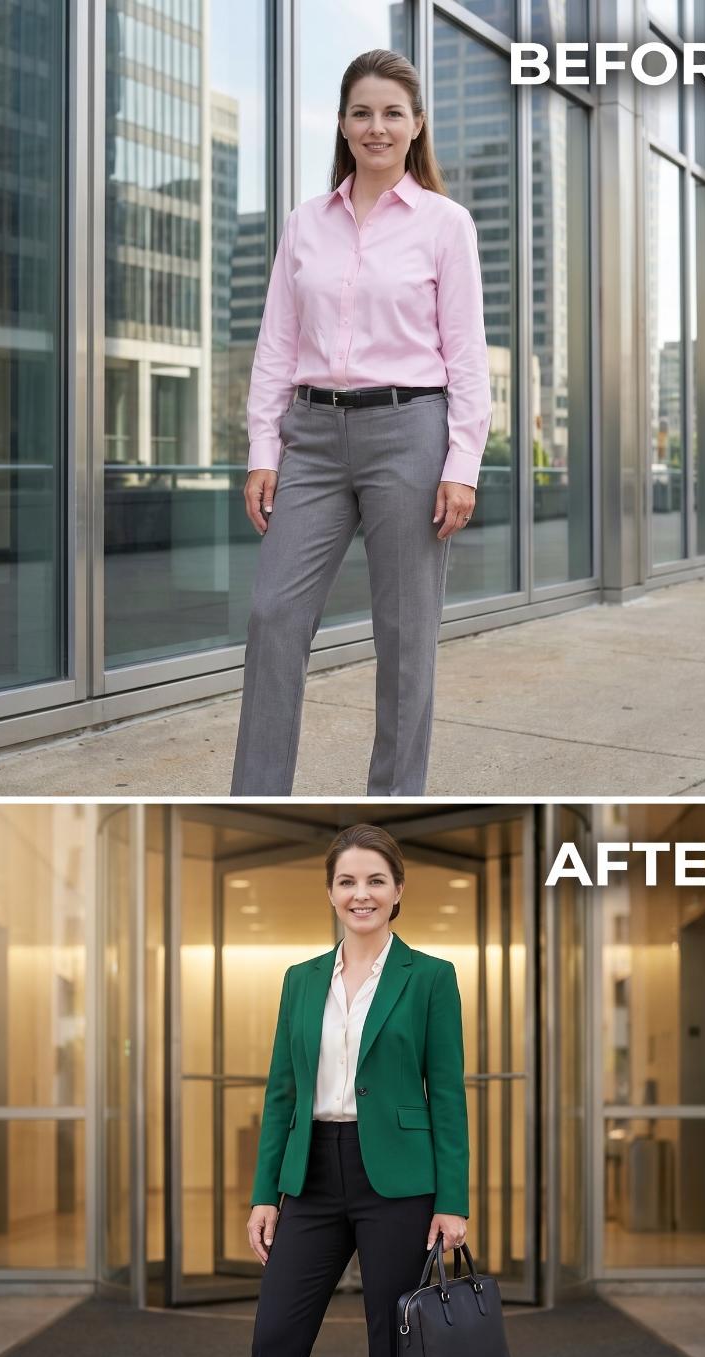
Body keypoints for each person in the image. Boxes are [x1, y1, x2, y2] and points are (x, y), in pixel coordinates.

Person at [187, 824, 469, 1357]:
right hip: (310, 1175)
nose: (361, 894)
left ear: (399, 890)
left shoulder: (431, 977)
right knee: (275, 1339)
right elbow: (281, 1090)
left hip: (397, 1184)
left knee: (391, 1351)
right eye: (347, 881)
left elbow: (446, 1095)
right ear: (330, 893)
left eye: (375, 880)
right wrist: (262, 1193)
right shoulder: (300, 979)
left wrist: (454, 1199)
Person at [230, 48, 491, 798]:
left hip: (409, 433)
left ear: (415, 127)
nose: (375, 127)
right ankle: (255, 797)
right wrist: (262, 449)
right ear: (343, 126)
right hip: (309, 436)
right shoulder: (304, 224)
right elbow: (276, 344)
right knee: (272, 616)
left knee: (405, 640)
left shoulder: (445, 224)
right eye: (360, 112)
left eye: (391, 113)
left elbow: (465, 353)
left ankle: (393, 804)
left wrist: (461, 464)